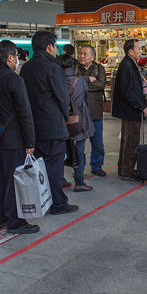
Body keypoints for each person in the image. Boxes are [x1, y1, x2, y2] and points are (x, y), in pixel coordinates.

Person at [0, 40, 38, 233]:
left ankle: (0, 216)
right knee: (14, 180)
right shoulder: (13, 79)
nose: (17, 61)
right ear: (10, 57)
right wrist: (30, 141)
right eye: (16, 58)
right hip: (13, 139)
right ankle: (15, 221)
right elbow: (24, 112)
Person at [20, 31, 78, 214]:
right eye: (56, 46)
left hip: (34, 126)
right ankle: (58, 203)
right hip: (52, 125)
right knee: (55, 166)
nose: (56, 49)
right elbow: (62, 97)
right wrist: (63, 116)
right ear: (49, 47)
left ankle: (42, 200)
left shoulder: (26, 68)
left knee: (39, 165)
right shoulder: (52, 67)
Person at [112, 39, 147, 181]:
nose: (140, 51)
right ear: (130, 51)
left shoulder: (130, 64)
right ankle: (127, 170)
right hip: (130, 110)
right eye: (138, 49)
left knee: (128, 140)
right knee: (131, 140)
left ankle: (123, 168)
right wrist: (142, 106)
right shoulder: (127, 66)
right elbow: (128, 91)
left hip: (129, 109)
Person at [58, 53, 95, 191]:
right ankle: (79, 182)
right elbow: (85, 97)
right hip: (78, 122)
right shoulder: (80, 81)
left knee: (60, 153)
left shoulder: (55, 80)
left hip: (60, 121)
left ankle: (60, 180)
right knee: (79, 152)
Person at [77, 44, 107, 177]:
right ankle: (79, 168)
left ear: (93, 56)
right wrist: (87, 79)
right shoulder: (75, 68)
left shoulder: (99, 68)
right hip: (79, 112)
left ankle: (96, 166)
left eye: (85, 54)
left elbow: (101, 84)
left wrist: (81, 84)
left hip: (95, 111)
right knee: (79, 144)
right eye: (80, 53)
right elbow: (72, 82)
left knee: (97, 142)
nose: (82, 56)